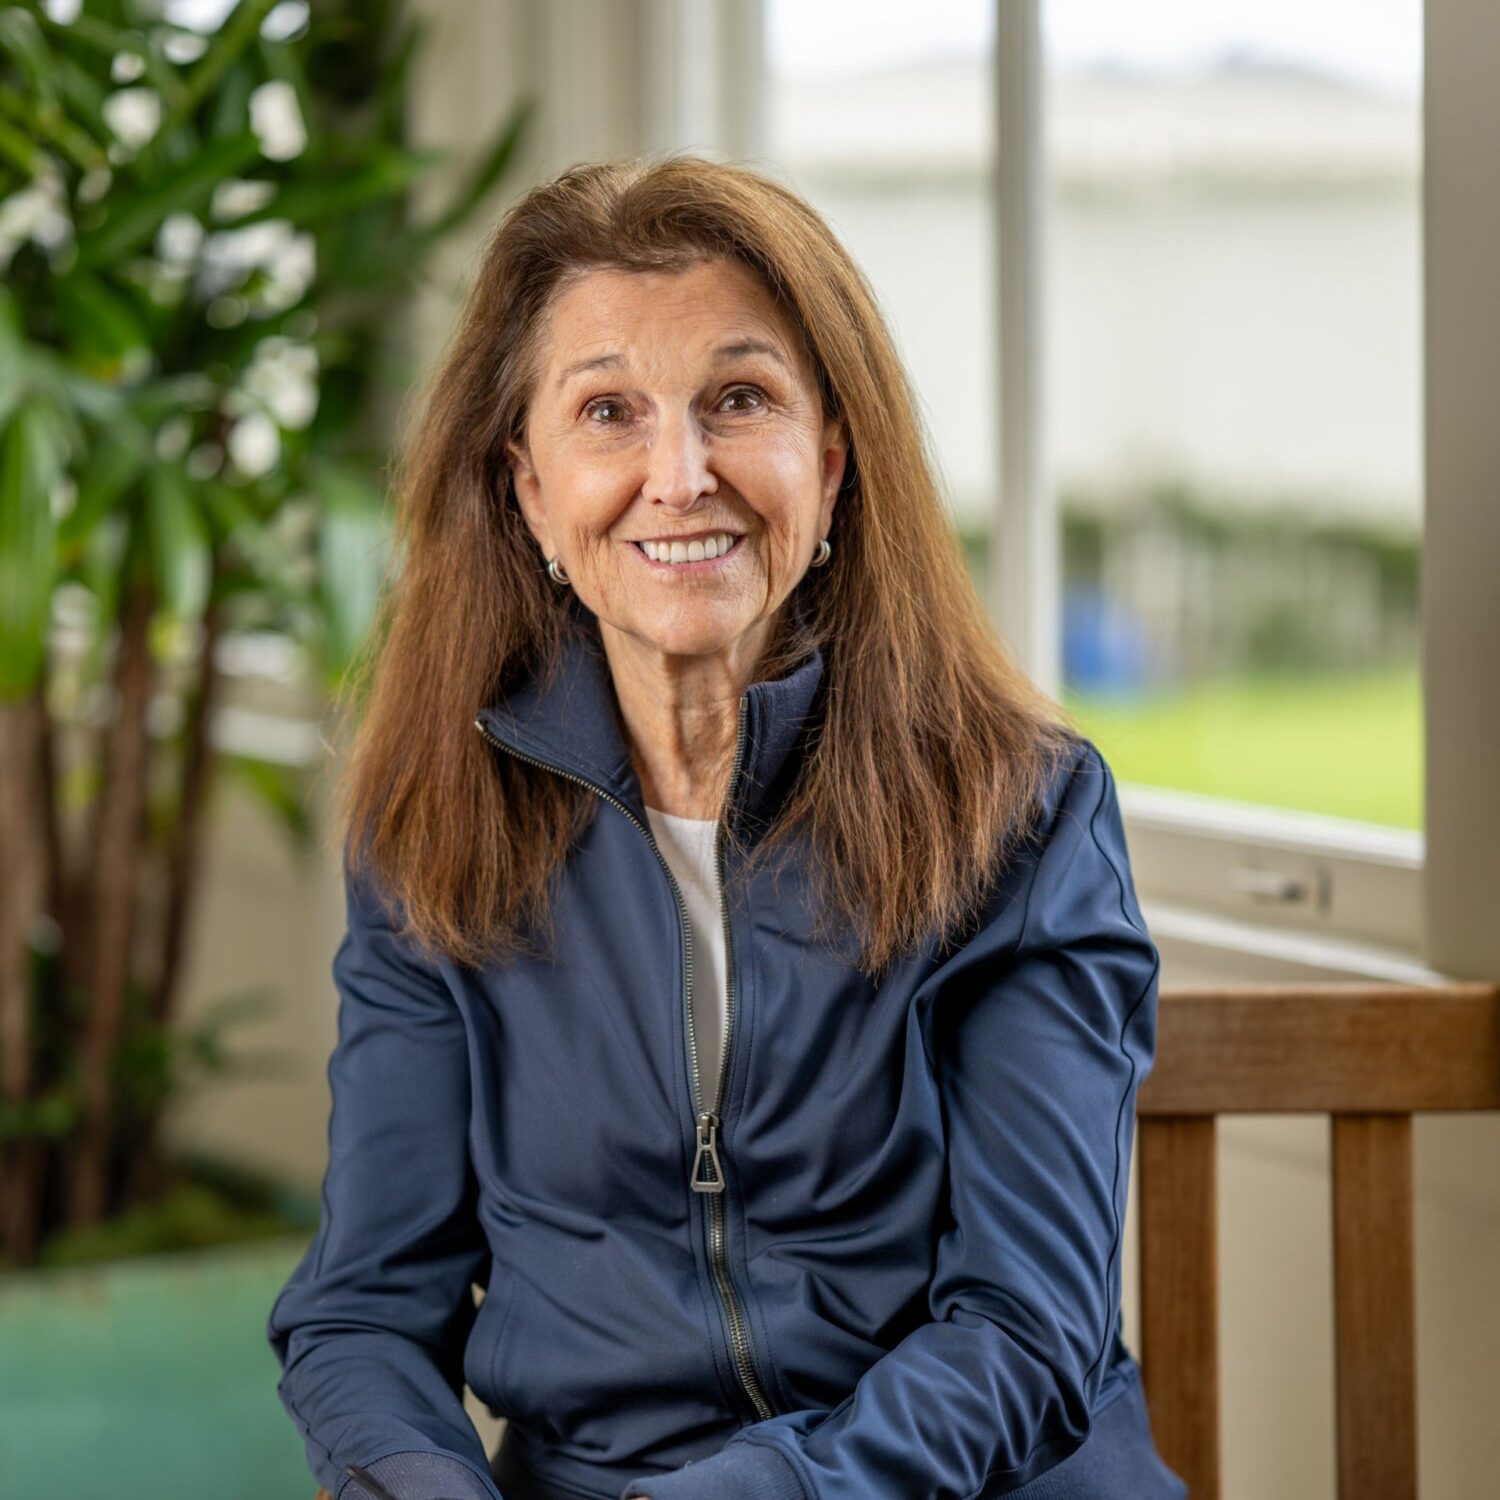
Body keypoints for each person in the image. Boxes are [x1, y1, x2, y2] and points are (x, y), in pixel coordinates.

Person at [268, 154, 1187, 1500]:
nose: (678, 473)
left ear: (829, 460)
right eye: (610, 413)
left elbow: (1027, 1331)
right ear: (529, 490)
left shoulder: (1020, 811)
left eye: (737, 400)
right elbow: (362, 1316)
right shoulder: (434, 829)